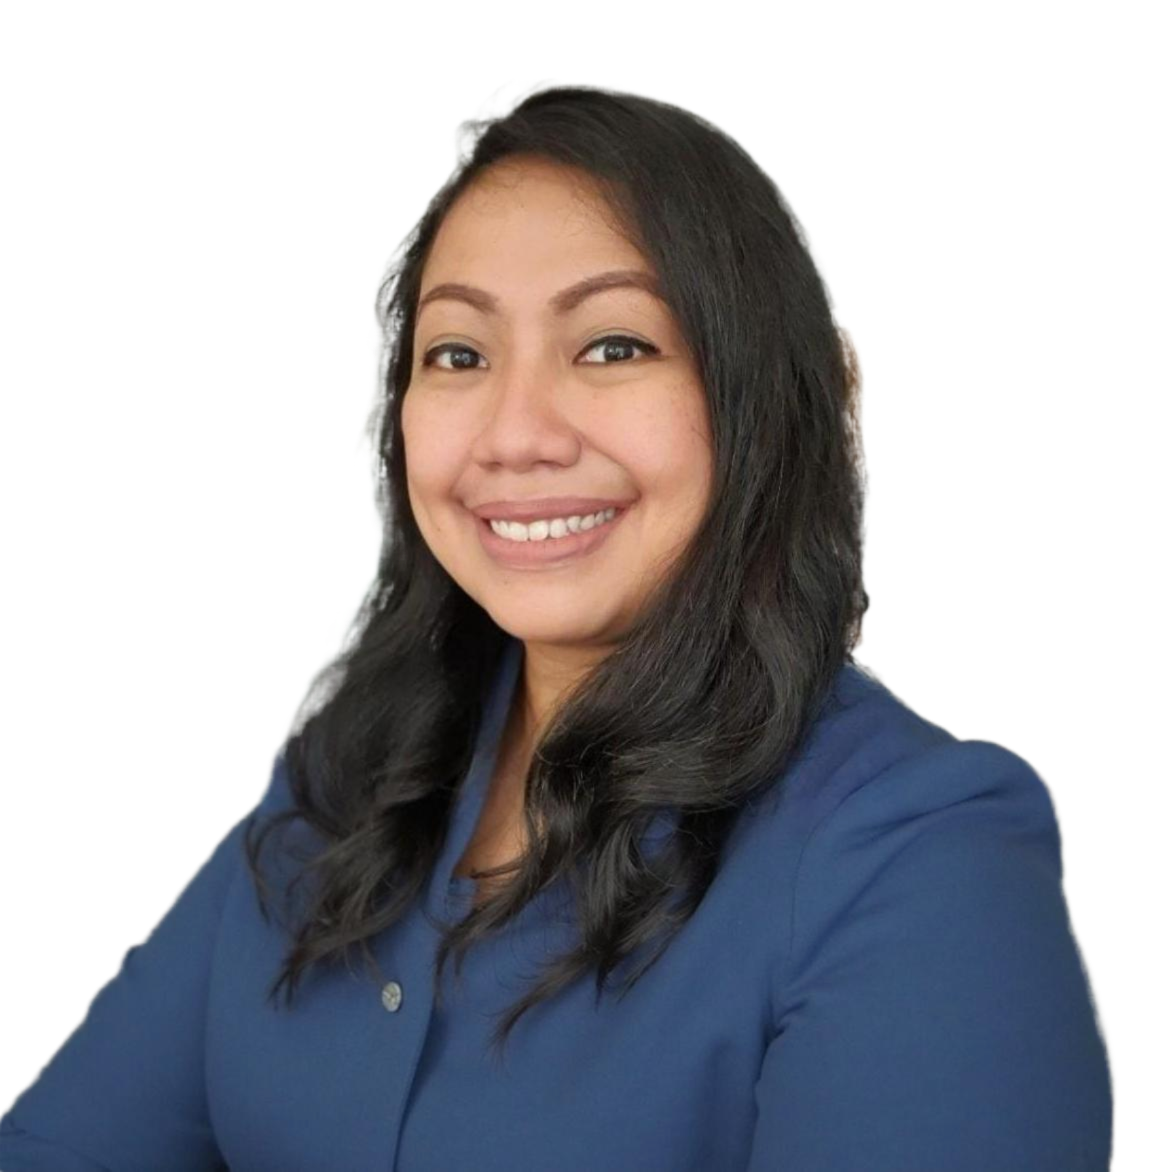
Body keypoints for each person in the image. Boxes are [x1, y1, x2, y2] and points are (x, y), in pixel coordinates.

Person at [1, 79, 1115, 1169]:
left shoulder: (922, 859)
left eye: (612, 345)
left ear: (771, 397)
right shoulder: (342, 771)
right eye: (459, 354)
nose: (514, 433)